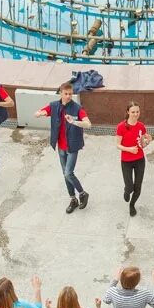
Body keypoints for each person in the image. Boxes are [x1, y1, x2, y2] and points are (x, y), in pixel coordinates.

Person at [39, 81, 91, 213]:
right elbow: (41, 111)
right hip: (61, 147)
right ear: (61, 93)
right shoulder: (54, 106)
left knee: (68, 173)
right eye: (66, 93)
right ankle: (73, 199)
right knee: (65, 175)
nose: (68, 96)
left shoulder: (77, 108)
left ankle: (83, 193)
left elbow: (88, 124)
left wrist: (74, 121)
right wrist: (40, 113)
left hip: (72, 146)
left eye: (70, 94)